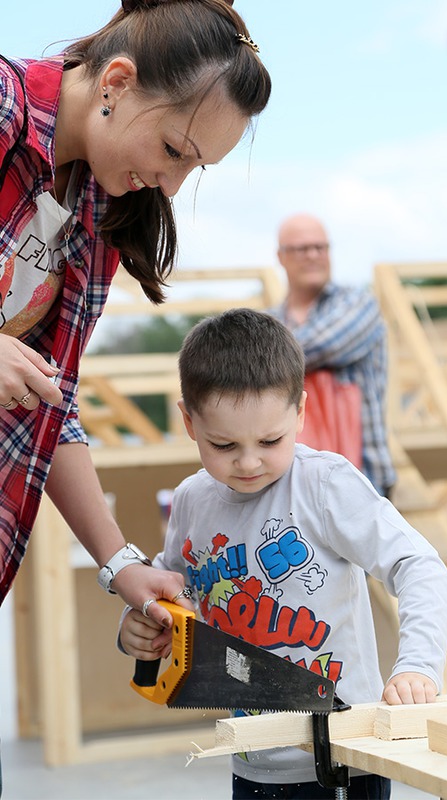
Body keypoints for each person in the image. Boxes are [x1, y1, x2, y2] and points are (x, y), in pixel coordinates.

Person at [0, 0, 271, 634]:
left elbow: (46, 401)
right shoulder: (7, 109)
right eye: (174, 149)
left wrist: (120, 563)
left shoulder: (101, 203)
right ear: (116, 84)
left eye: (193, 168)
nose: (170, 185)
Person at [119, 308, 447, 800]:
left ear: (299, 411)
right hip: (252, 763)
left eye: (270, 440)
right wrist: (138, 629)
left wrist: (418, 667)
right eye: (224, 444)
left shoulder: (325, 485)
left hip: (343, 762)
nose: (249, 461)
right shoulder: (191, 500)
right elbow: (166, 595)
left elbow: (420, 565)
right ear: (189, 421)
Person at [270, 213, 397, 498]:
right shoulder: (271, 319)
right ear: (281, 256)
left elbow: (319, 346)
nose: (314, 255)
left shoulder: (358, 304)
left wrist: (263, 357)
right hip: (293, 483)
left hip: (362, 478)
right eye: (302, 248)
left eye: (321, 247)